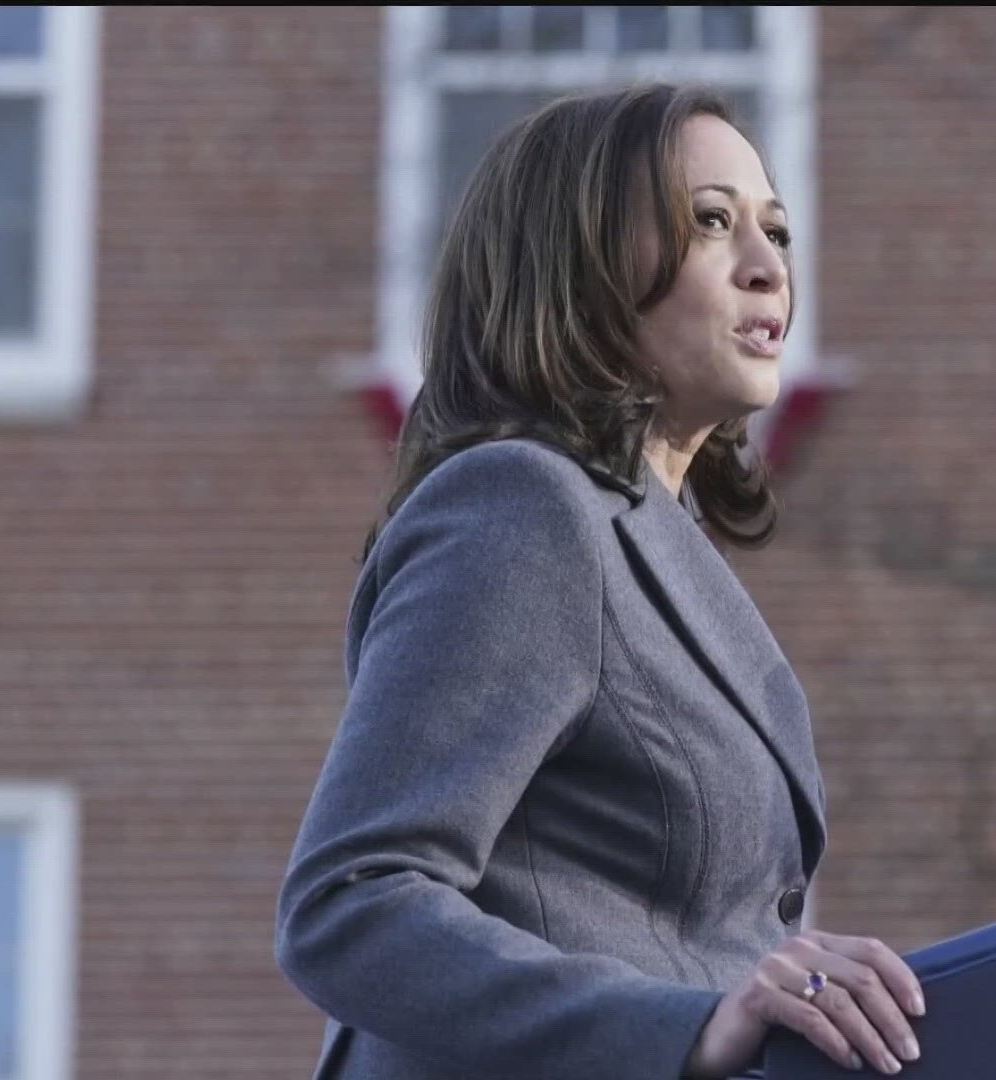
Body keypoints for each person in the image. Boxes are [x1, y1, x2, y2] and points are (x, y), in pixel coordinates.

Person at [273, 83, 924, 1080]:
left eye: (777, 230)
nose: (768, 269)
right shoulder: (519, 507)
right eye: (712, 223)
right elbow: (353, 900)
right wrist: (685, 1028)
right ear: (582, 269)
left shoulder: (649, 542)